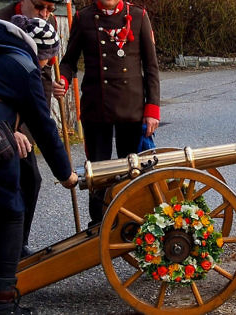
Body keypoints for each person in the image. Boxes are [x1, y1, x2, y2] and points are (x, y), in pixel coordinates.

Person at [0, 16, 74, 314]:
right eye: (48, 57)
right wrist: (67, 174)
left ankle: (3, 263)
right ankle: (2, 304)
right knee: (12, 210)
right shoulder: (25, 67)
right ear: (40, 53)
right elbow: (45, 127)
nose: (47, 64)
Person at [54, 0, 160, 227]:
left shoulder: (139, 16)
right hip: (96, 108)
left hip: (131, 108)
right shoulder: (83, 18)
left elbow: (151, 66)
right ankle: (99, 221)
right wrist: (62, 79)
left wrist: (152, 108)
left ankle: (131, 218)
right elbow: (68, 62)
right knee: (98, 169)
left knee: (132, 165)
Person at [0, 0, 63, 256]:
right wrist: (7, 128)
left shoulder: (48, 23)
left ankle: (17, 244)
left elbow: (44, 76)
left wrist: (38, 119)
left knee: (31, 180)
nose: (45, 14)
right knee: (0, 183)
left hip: (25, 115)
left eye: (51, 9)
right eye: (40, 6)